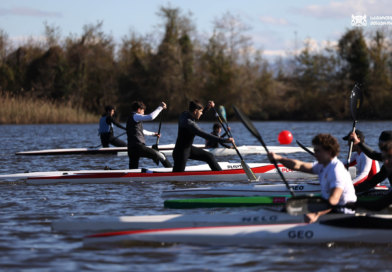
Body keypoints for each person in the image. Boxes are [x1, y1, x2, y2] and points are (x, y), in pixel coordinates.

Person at [267, 133, 357, 223]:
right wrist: (279, 158)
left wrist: (315, 215)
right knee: (289, 206)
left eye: (318, 151)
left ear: (329, 151)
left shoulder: (336, 170)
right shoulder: (323, 165)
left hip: (341, 214)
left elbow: (334, 200)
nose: (315, 154)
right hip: (328, 207)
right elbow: (299, 165)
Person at [172, 100, 234, 172]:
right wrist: (225, 140)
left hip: (188, 149)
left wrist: (207, 108)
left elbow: (197, 115)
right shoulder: (190, 124)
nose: (202, 113)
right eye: (201, 111)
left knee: (209, 156)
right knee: (178, 178)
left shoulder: (184, 114)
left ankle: (221, 175)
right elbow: (206, 135)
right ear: (195, 111)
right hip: (181, 154)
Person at [127, 101, 172, 169]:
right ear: (139, 110)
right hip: (138, 147)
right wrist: (160, 107)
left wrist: (153, 134)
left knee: (132, 170)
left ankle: (110, 171)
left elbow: (141, 131)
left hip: (131, 149)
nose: (143, 113)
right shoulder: (136, 116)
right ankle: (174, 172)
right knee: (161, 156)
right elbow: (151, 117)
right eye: (143, 111)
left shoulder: (130, 118)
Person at [355, 140, 392, 211]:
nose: (386, 161)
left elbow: (380, 204)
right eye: (383, 158)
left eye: (389, 156)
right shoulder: (387, 166)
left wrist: (356, 204)